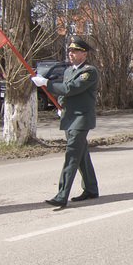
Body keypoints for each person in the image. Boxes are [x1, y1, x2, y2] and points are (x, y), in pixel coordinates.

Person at [32, 36, 100, 208]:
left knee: (71, 156)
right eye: (70, 50)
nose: (71, 53)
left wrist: (46, 83)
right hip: (69, 118)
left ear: (84, 54)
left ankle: (62, 195)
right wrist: (60, 105)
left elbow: (71, 88)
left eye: (75, 51)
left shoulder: (89, 72)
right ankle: (91, 189)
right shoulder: (69, 71)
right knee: (82, 156)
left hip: (81, 119)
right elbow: (64, 94)